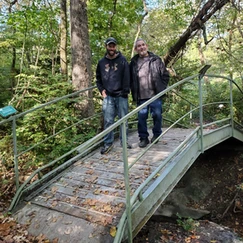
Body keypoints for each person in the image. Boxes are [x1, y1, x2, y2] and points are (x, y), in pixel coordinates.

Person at [130, 38, 169, 148]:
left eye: (143, 45)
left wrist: (162, 88)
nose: (141, 47)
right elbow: (129, 79)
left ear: (146, 46)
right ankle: (143, 138)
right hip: (141, 96)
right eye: (139, 46)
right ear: (136, 49)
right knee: (141, 118)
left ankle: (156, 134)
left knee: (157, 115)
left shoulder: (155, 59)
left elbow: (165, 75)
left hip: (155, 95)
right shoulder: (133, 62)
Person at [96, 37, 131, 154]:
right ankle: (108, 143)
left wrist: (125, 92)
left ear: (115, 47)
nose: (111, 48)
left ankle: (124, 141)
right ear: (106, 46)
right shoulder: (101, 63)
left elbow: (127, 77)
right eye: (109, 46)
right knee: (108, 121)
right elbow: (98, 79)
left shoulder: (122, 60)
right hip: (108, 96)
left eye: (113, 46)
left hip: (121, 95)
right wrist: (102, 91)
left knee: (123, 120)